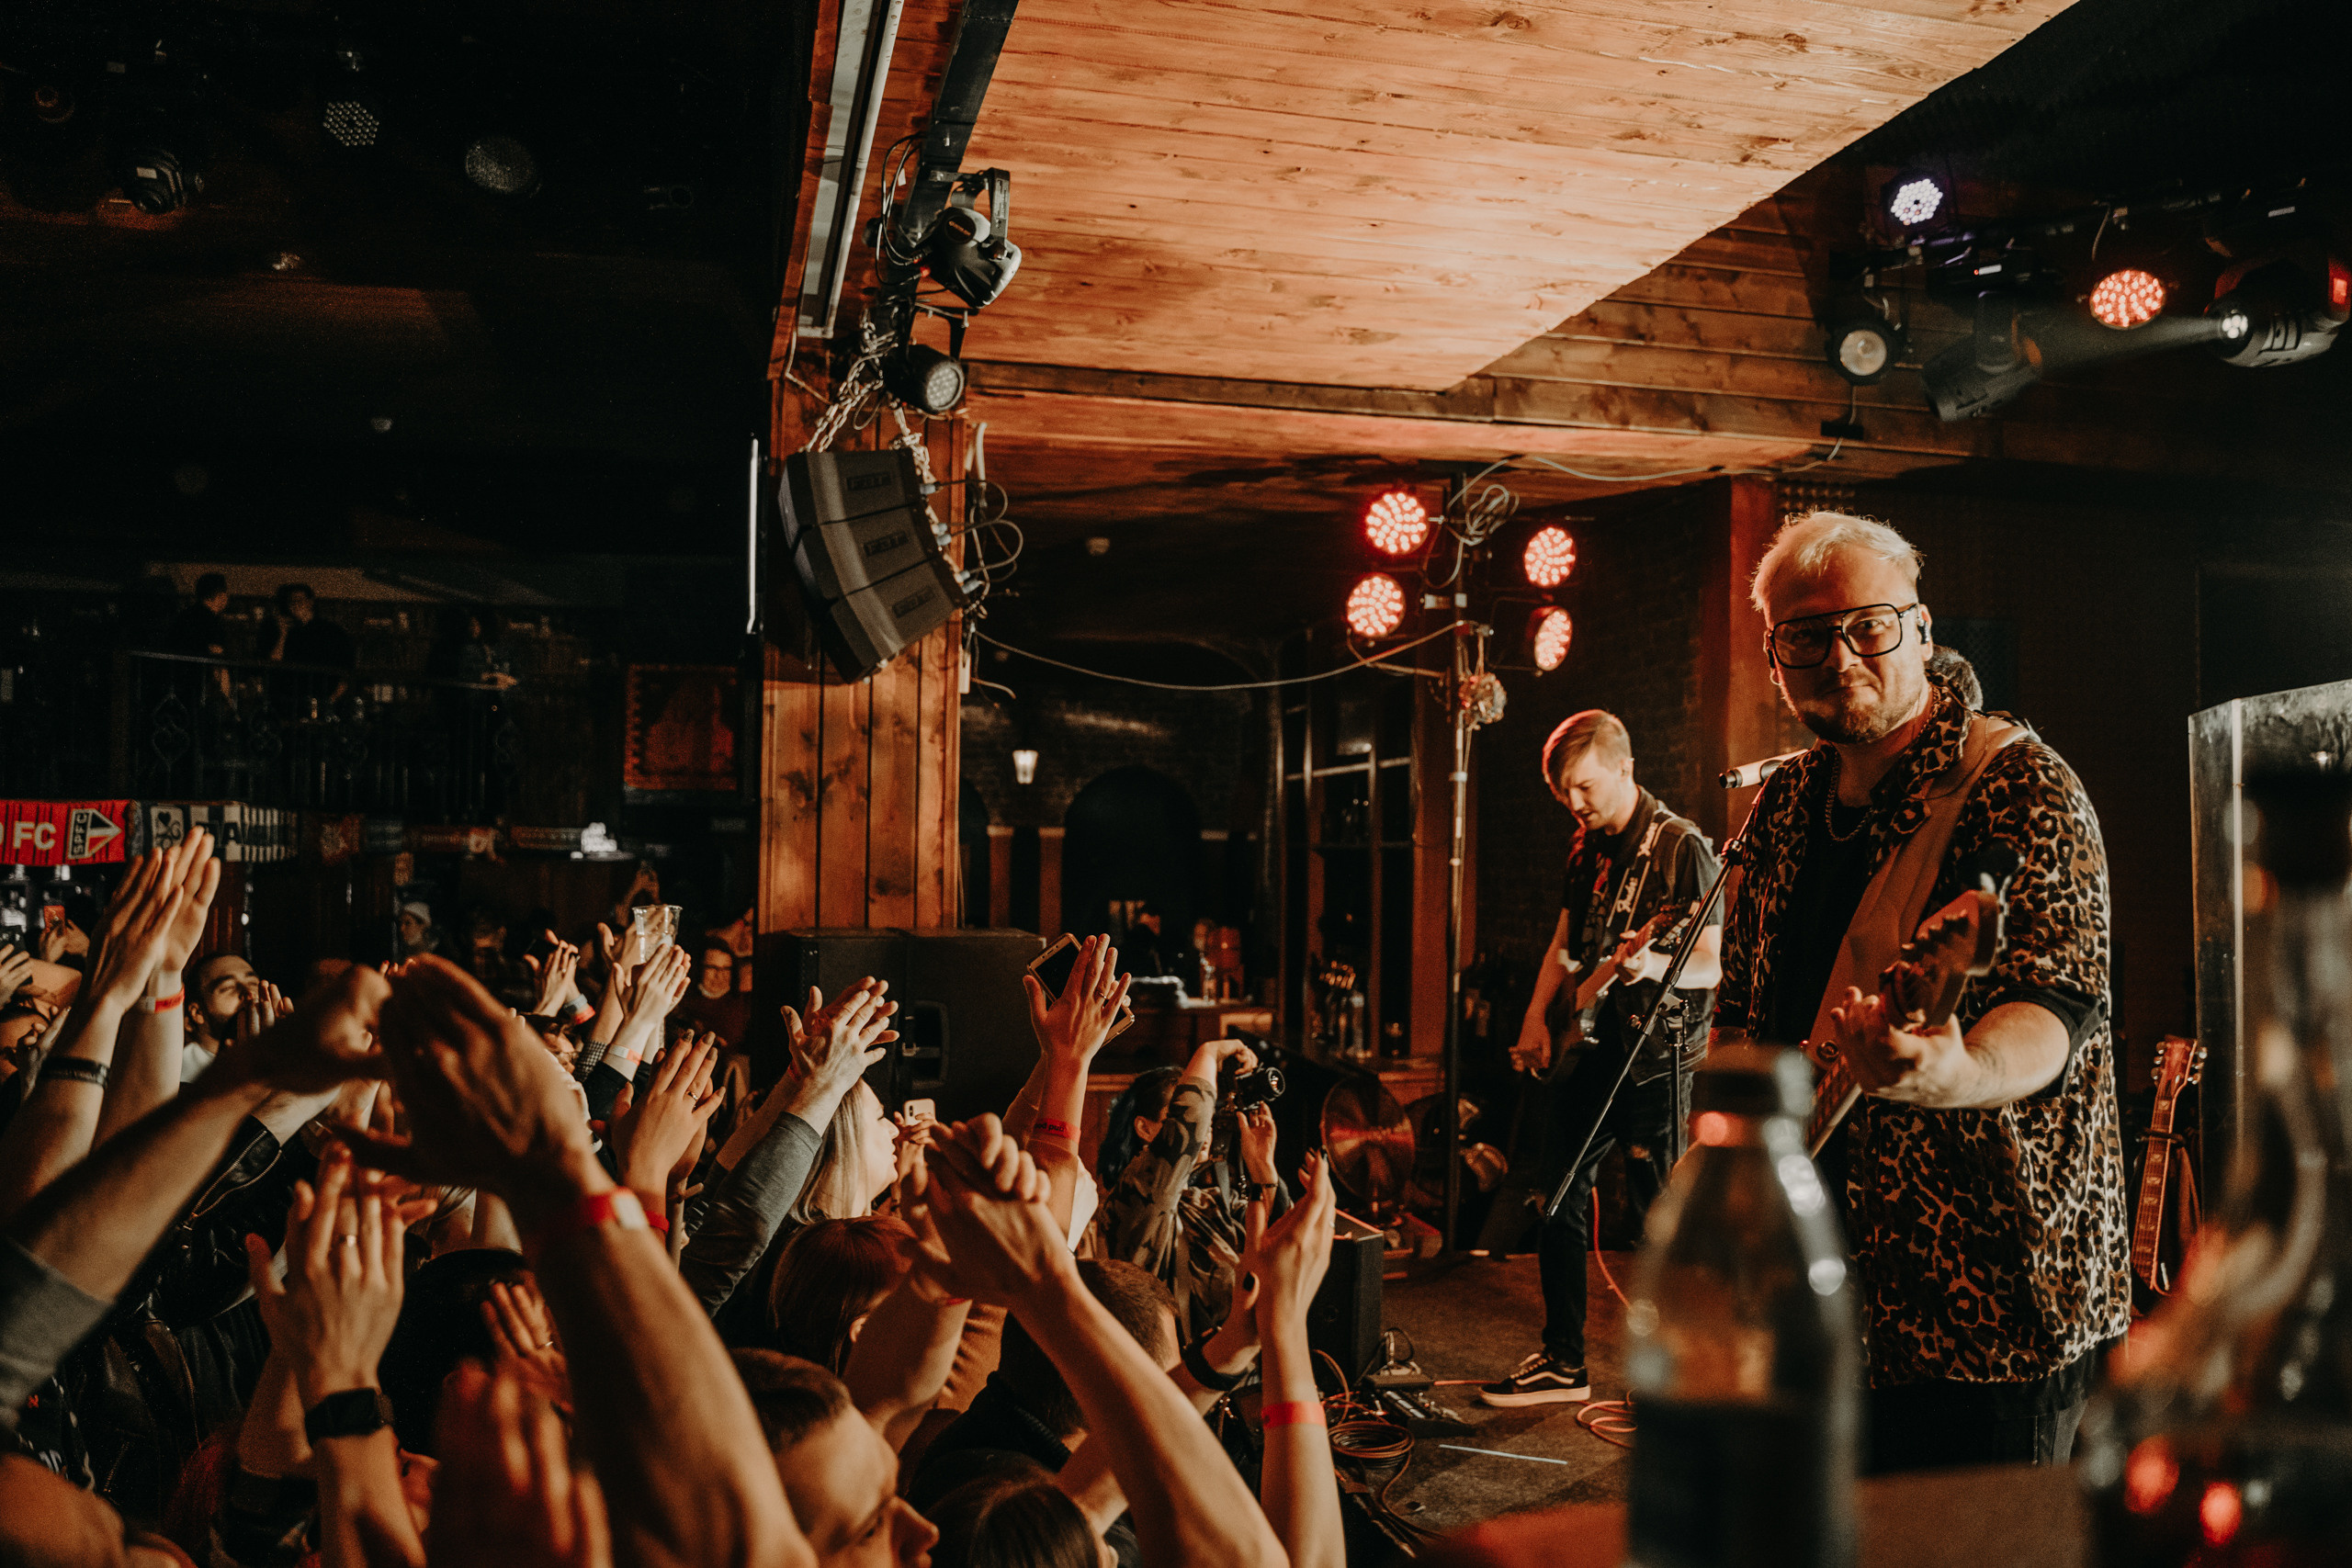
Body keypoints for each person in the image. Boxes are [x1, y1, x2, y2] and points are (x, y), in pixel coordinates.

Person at [1713, 511, 2129, 1472]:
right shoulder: (1781, 808)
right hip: (1807, 1291)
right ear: (1775, 660)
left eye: (1868, 625)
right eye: (1806, 635)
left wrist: (1957, 1071)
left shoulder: (2021, 788)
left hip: (1979, 1309)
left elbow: (2051, 1007)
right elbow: (1743, 1007)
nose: (1841, 654)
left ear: (1921, 631)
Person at [1480, 710, 1722, 1408]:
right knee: (1554, 1196)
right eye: (1563, 793)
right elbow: (1565, 940)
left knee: (1657, 1222)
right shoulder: (1584, 848)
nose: (1575, 804)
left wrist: (1652, 963)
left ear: (1625, 767)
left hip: (1654, 1058)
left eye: (1583, 787)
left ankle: (1672, 1381)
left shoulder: (1682, 848)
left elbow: (1712, 963)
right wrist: (1535, 1018)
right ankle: (1563, 1360)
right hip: (1584, 1049)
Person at [1095, 1036, 1286, 1342]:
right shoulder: (1133, 1199)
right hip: (1172, 1380)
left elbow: (1282, 1248)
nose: (1204, 1129)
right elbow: (1188, 1123)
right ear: (1144, 1128)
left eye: (1210, 1119)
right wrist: (1210, 1052)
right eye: (1173, 1116)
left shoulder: (1207, 1201)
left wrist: (1264, 1171)